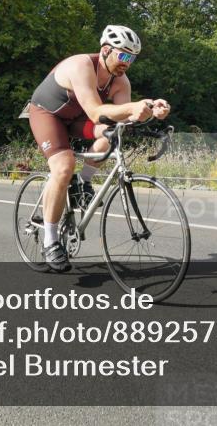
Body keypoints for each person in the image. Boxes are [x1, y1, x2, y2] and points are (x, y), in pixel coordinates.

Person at [26, 25, 171, 272]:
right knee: (64, 166)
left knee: (112, 132)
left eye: (132, 58)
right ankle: (50, 241)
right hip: (47, 115)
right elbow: (95, 112)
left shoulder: (121, 81)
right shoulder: (81, 65)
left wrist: (150, 109)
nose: (127, 63)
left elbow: (123, 118)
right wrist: (134, 107)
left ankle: (83, 182)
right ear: (105, 50)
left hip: (77, 119)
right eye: (123, 55)